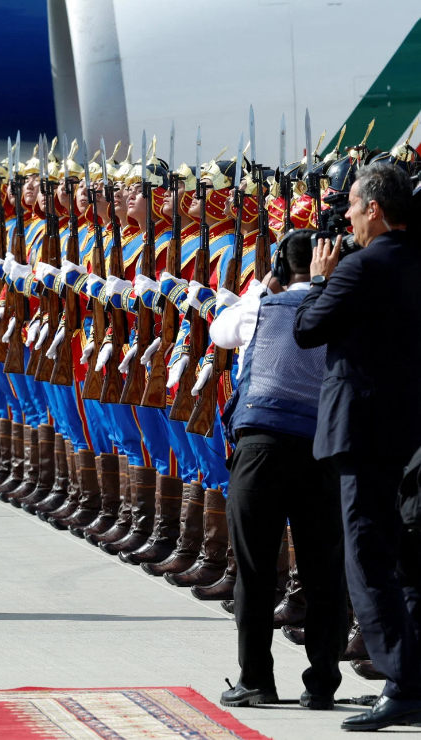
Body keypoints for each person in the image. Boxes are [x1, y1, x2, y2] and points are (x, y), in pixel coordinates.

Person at [294, 162, 421, 731]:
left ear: (374, 207)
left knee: (366, 556)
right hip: (405, 427)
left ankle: (403, 681)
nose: (344, 215)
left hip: (362, 429)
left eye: (350, 205)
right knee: (401, 554)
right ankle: (407, 675)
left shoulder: (358, 269)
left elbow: (307, 330)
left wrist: (319, 279)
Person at [209, 229, 347, 710]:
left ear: (277, 269)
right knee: (324, 568)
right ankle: (323, 682)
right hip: (320, 448)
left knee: (254, 567)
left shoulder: (259, 307)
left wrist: (258, 289)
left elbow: (218, 332)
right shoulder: (339, 306)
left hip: (261, 446)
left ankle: (256, 680)